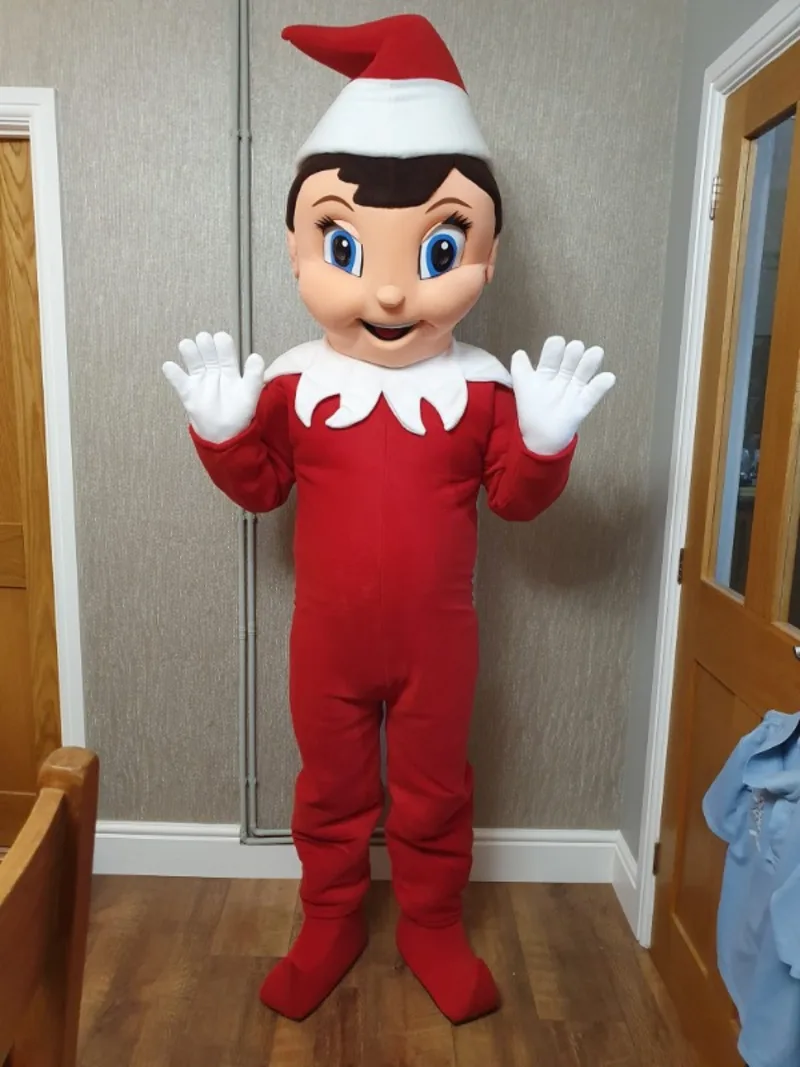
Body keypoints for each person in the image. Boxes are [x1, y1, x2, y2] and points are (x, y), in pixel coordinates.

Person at [163, 14, 615, 1024]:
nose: (391, 286)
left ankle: (431, 924)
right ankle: (328, 919)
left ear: (487, 255)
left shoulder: (485, 388)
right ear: (297, 248)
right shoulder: (291, 382)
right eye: (344, 244)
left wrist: (544, 441)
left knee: (434, 788)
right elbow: (262, 490)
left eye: (440, 246)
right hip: (324, 641)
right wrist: (223, 433)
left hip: (438, 645)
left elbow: (515, 501)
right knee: (328, 789)